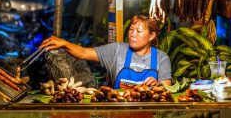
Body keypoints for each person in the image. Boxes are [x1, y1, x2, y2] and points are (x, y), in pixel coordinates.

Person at [40, 15, 171, 89]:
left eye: (139, 31)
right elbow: (84, 53)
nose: (132, 34)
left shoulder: (161, 58)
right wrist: (64, 43)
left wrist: (157, 84)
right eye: (131, 29)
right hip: (117, 110)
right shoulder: (117, 50)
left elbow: (166, 87)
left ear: (151, 36)